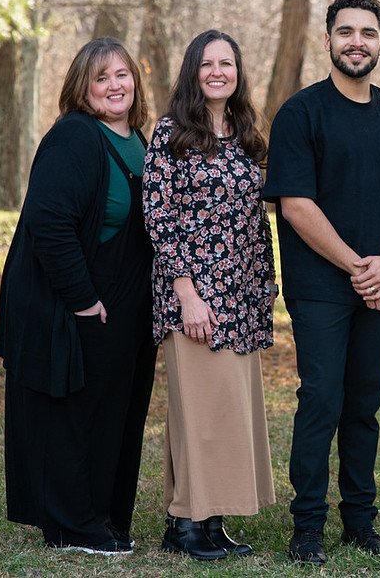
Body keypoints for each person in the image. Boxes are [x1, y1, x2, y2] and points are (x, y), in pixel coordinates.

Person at [265, 0, 380, 564]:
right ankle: (307, 526)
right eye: (346, 32)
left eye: (367, 33)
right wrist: (357, 266)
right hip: (320, 288)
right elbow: (295, 205)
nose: (357, 41)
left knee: (363, 405)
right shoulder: (300, 113)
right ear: (327, 39)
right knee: (321, 401)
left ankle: (360, 521)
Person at [0, 38, 157, 556]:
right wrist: (84, 299)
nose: (115, 86)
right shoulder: (74, 137)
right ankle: (73, 526)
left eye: (122, 75)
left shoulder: (140, 140)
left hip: (130, 308)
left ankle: (106, 518)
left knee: (119, 414)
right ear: (82, 89)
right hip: (80, 303)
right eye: (102, 78)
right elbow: (49, 224)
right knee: (76, 415)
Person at [143, 29, 278, 561]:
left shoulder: (247, 133)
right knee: (198, 410)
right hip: (194, 293)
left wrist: (266, 284)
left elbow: (256, 219)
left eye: (227, 63)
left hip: (241, 293)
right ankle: (184, 524)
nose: (218, 72)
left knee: (226, 410)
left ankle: (211, 519)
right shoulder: (171, 132)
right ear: (192, 71)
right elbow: (158, 216)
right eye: (208, 63)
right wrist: (186, 295)